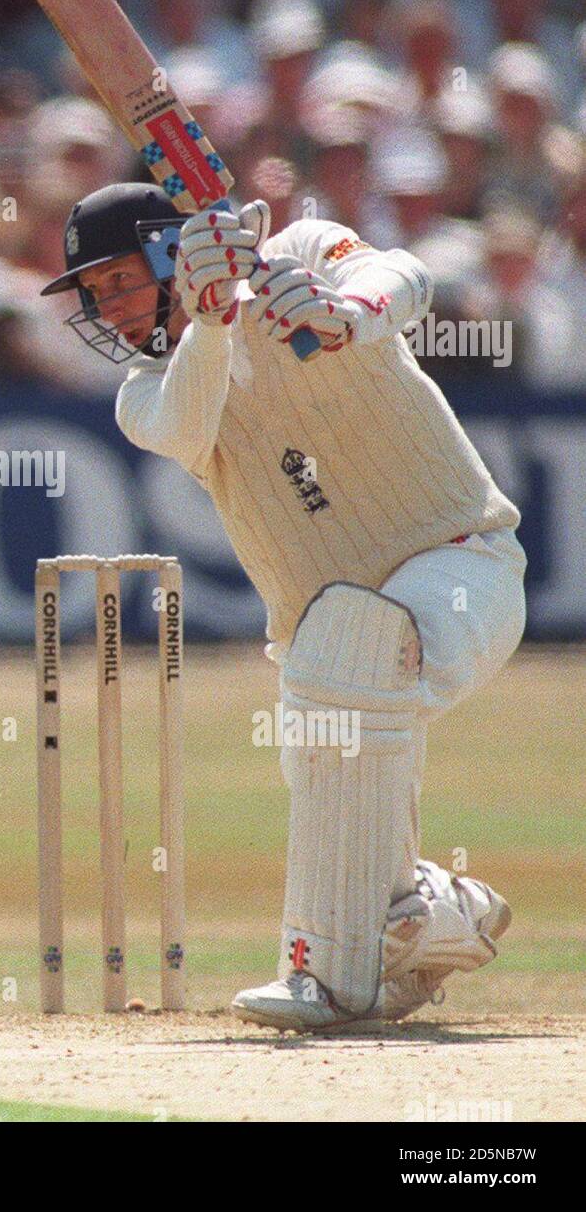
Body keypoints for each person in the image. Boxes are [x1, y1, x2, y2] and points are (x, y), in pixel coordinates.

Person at [40, 182, 526, 1031]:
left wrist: (345, 313)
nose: (105, 308)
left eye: (116, 280)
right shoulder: (145, 394)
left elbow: (407, 275)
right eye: (92, 292)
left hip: (461, 566)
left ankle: (317, 974)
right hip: (315, 647)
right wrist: (213, 316)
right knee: (358, 833)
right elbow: (195, 415)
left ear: (167, 253)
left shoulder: (302, 253)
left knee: (354, 647)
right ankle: (431, 916)